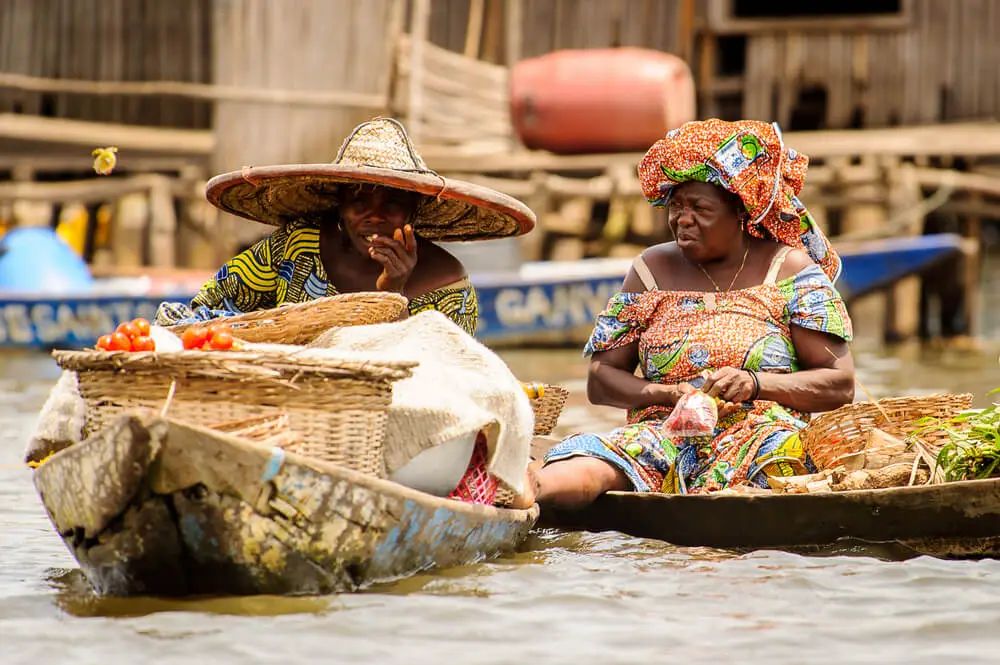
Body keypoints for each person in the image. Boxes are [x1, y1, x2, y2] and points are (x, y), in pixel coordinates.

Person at [521, 119, 855, 509]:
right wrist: (670, 393)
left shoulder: (789, 270)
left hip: (763, 435)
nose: (683, 218)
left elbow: (839, 385)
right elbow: (601, 380)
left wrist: (754, 384)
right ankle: (528, 488)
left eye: (700, 208)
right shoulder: (650, 270)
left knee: (783, 466)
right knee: (596, 460)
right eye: (676, 207)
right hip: (663, 431)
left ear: (740, 211)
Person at [156, 117, 535, 335]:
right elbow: (207, 307)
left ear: (415, 212)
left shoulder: (449, 287)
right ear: (338, 207)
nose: (375, 215)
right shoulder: (297, 245)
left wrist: (392, 295)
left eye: (393, 202)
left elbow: (440, 386)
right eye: (358, 201)